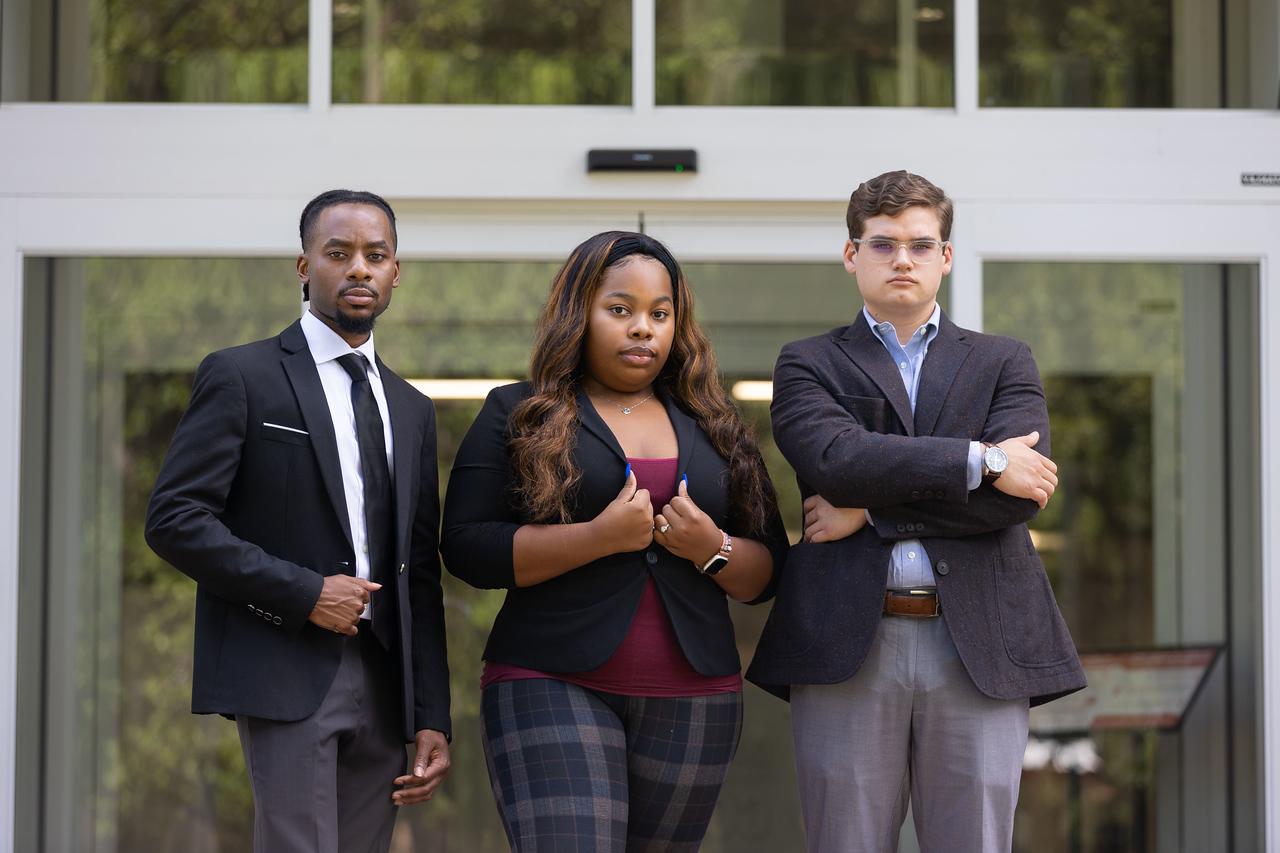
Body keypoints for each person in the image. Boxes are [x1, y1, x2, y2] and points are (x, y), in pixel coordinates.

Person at [747, 170, 1086, 853]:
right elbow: (836, 461)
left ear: (946, 257)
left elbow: (1015, 502)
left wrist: (870, 514)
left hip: (979, 645)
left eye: (921, 245)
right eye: (883, 244)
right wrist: (984, 459)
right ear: (852, 255)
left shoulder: (1003, 361)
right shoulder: (808, 363)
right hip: (848, 638)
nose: (903, 259)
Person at [441, 231, 789, 852]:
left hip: (696, 695)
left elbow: (767, 573)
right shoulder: (518, 413)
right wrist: (597, 538)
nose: (642, 330)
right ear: (579, 313)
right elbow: (466, 547)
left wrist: (711, 547)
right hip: (550, 679)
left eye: (660, 315)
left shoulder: (718, 426)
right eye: (620, 310)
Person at [145, 189, 451, 853]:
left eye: (377, 255)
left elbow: (419, 571)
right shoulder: (242, 375)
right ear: (305, 266)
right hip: (286, 664)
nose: (360, 269)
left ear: (397, 271)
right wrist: (305, 592)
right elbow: (174, 518)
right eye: (338, 253)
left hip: (387, 676)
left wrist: (432, 714)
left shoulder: (411, 409)